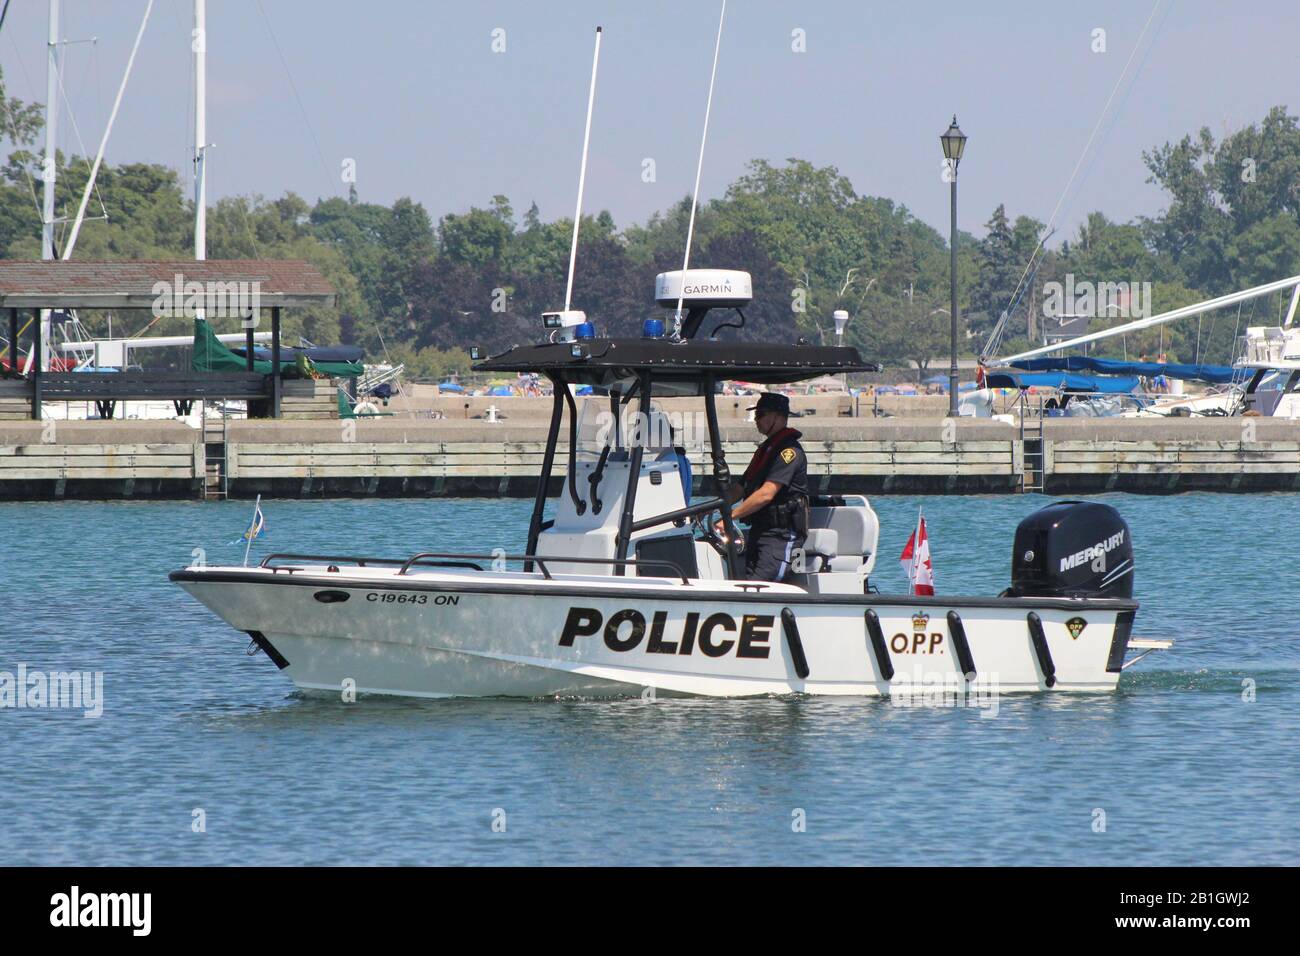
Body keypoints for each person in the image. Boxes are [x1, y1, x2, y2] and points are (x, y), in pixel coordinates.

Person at [716, 392, 809, 581]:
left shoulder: (789, 452)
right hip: (760, 532)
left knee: (759, 588)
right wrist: (714, 507)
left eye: (761, 414)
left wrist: (729, 516)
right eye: (756, 415)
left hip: (781, 537)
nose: (756, 420)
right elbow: (741, 487)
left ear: (778, 416)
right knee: (746, 585)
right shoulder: (766, 450)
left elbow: (766, 494)